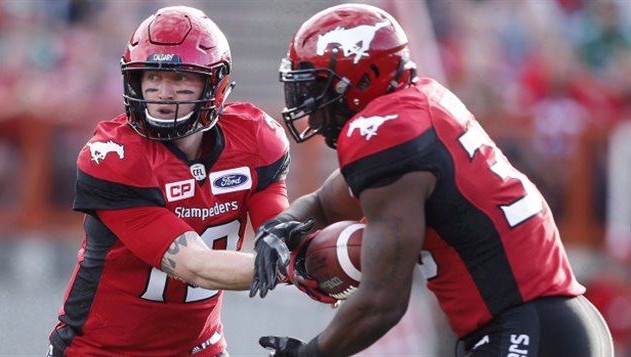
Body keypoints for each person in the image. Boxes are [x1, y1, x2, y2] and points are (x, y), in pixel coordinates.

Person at [250, 4, 615, 357]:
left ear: (363, 79)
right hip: (549, 324)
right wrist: (281, 226)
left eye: (318, 87)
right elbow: (323, 204)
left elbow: (381, 304)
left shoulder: (384, 133)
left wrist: (311, 353)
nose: (311, 103)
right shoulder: (417, 106)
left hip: (527, 329)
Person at [47, 6, 292, 357]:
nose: (163, 92)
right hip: (101, 351)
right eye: (153, 77)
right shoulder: (114, 155)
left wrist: (323, 255)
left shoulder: (254, 138)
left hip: (200, 349)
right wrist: (305, 266)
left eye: (181, 79)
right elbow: (195, 265)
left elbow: (277, 230)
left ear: (214, 82)